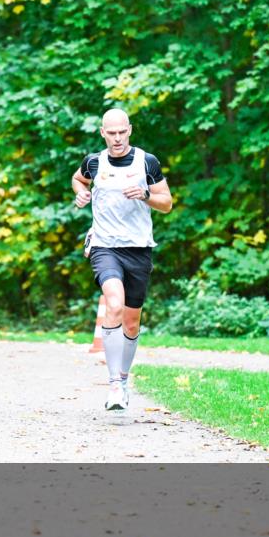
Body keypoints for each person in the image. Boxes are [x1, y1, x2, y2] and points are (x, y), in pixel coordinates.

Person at [71, 108, 173, 415]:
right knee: (113, 304)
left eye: (121, 132)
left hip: (139, 248)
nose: (116, 138)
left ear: (129, 130)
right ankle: (114, 383)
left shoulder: (147, 162)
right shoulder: (93, 161)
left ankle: (124, 380)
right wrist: (81, 194)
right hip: (105, 246)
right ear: (102, 133)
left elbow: (166, 203)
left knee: (131, 320)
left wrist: (145, 195)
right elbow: (78, 179)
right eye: (110, 133)